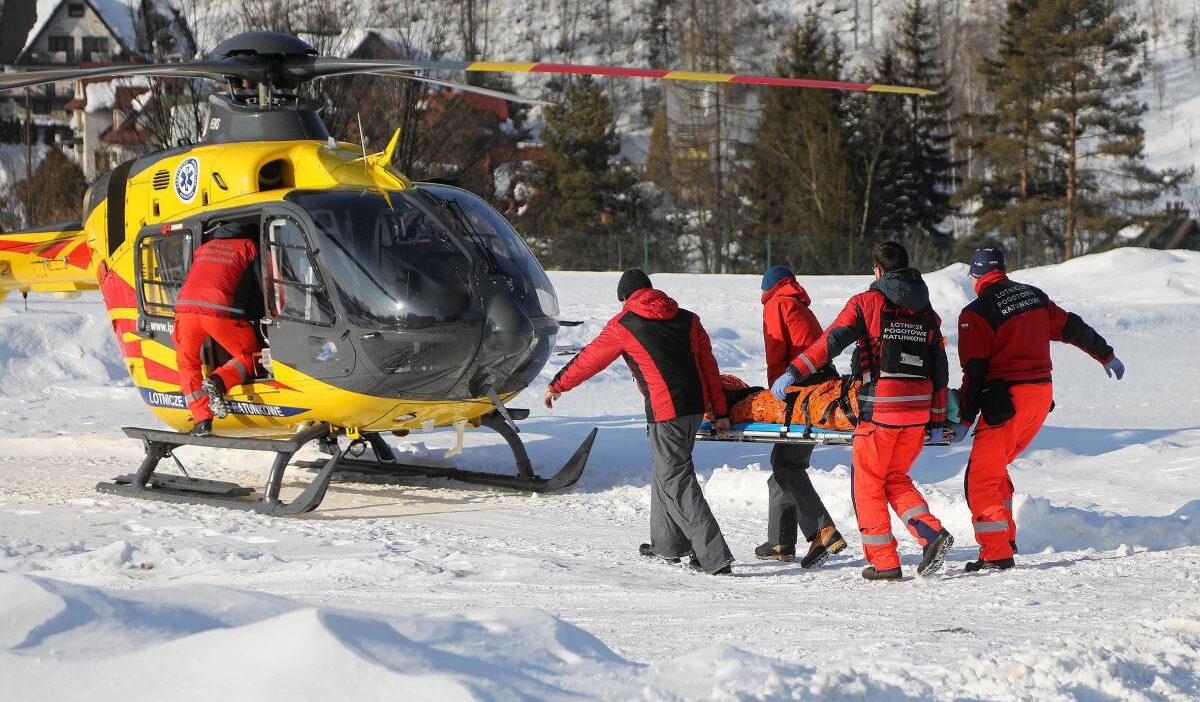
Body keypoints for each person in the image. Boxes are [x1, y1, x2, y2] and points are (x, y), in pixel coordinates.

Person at [770, 242, 954, 581]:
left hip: (881, 410)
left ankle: (884, 562)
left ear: (878, 271)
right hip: (917, 412)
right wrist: (937, 418)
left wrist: (794, 372)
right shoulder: (927, 312)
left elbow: (829, 343)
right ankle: (930, 533)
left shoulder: (866, 303)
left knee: (867, 485)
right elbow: (940, 367)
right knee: (895, 478)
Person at [544, 269, 736, 575]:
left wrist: (558, 384)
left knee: (675, 477)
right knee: (666, 472)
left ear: (624, 298)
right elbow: (708, 366)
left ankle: (712, 556)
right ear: (650, 289)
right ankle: (668, 545)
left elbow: (591, 358)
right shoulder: (688, 318)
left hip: (665, 412)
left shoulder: (624, 324)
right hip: (694, 407)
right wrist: (721, 411)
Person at [953, 246, 1124, 572]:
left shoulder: (975, 312)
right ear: (1002, 268)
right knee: (996, 465)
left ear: (975, 275)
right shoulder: (1034, 297)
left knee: (980, 478)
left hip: (1007, 401)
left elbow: (974, 371)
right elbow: (1071, 327)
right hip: (1040, 397)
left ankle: (996, 553)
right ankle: (1006, 537)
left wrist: (964, 417)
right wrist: (1105, 354)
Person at [755, 265, 846, 568]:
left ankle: (822, 530)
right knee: (782, 469)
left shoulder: (776, 305)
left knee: (785, 464)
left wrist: (774, 394)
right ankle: (781, 541)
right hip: (823, 386)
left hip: (803, 390)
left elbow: (776, 353)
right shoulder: (798, 304)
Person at [173, 221, 262, 437]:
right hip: (218, 312)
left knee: (187, 364)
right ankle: (219, 381)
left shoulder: (203, 249)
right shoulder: (249, 246)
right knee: (250, 355)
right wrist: (254, 314)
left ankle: (202, 421)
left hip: (184, 311)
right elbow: (261, 286)